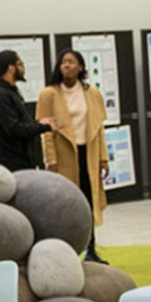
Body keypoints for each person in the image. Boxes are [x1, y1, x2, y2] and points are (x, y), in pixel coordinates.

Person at [38, 50, 109, 260]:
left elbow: (99, 128)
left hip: (89, 153)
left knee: (89, 201)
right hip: (64, 156)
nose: (67, 66)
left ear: (80, 67)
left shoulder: (92, 93)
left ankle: (91, 248)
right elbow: (45, 133)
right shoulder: (49, 94)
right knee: (67, 204)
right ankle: (66, 252)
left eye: (71, 62)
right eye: (63, 62)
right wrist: (50, 160)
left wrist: (103, 157)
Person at [0, 48, 58, 172]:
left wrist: (38, 124)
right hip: (9, 162)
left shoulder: (11, 91)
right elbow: (13, 128)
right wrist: (42, 126)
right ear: (11, 68)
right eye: (20, 64)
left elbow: (21, 122)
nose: (23, 68)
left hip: (22, 159)